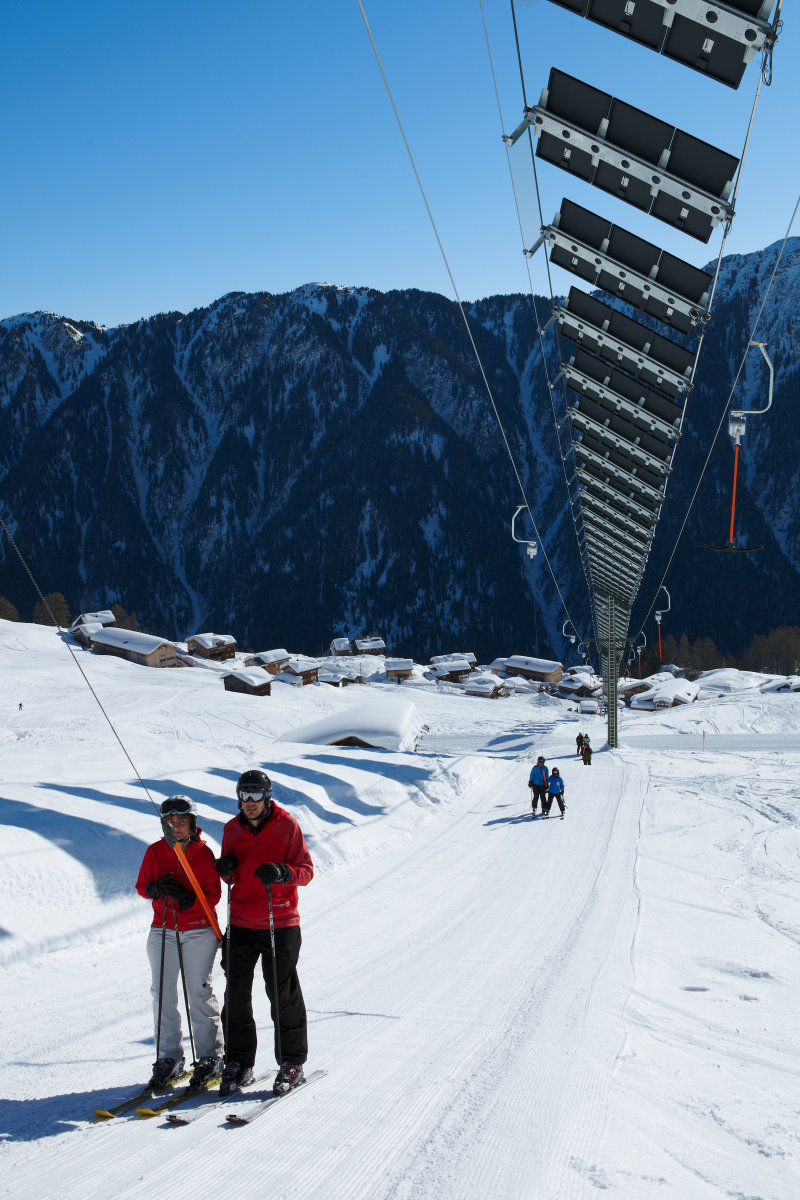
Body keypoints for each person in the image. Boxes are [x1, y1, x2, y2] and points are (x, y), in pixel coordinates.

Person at [214, 769, 314, 1097]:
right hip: (241, 921)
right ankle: (239, 1062)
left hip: (280, 922)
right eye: (245, 795)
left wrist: (283, 871)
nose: (250, 802)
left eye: (256, 794)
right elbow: (231, 875)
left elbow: (306, 871)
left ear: (268, 796)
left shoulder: (288, 826)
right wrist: (225, 868)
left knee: (281, 993)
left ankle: (291, 1062)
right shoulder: (231, 829)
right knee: (237, 995)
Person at [135, 796, 223, 1090]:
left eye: (181, 820)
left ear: (192, 823)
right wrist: (158, 888)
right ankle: (168, 1058)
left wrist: (189, 901)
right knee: (162, 994)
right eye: (170, 821)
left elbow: (213, 894)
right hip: (162, 929)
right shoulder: (155, 851)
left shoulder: (203, 853)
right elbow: (142, 887)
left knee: (198, 991)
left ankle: (211, 1057)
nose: (176, 825)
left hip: (198, 929)